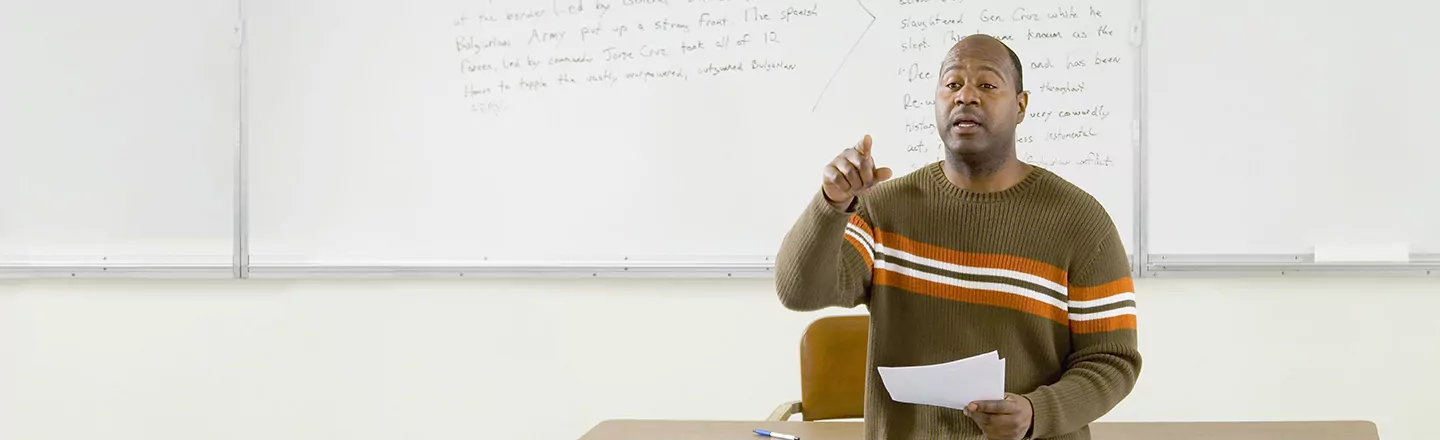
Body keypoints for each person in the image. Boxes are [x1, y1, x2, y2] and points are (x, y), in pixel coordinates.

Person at [774, 34, 1141, 440]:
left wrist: (1036, 412)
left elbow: (1113, 360)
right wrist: (831, 203)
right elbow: (798, 292)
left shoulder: (1081, 221)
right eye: (952, 84)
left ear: (1020, 106)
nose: (966, 96)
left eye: (987, 84)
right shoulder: (882, 209)